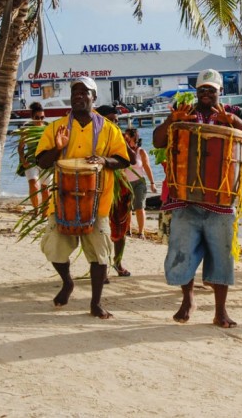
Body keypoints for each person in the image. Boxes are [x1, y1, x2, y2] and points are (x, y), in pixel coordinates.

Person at [152, 68, 242, 328]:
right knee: (182, 252)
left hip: (221, 201)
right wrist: (171, 121)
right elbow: (157, 142)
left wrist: (233, 122)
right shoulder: (185, 112)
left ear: (220, 91)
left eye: (211, 90)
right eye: (202, 90)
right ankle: (188, 300)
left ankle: (220, 311)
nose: (206, 94)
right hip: (186, 198)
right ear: (196, 91)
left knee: (222, 257)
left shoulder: (235, 114)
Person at [36, 77, 129, 319]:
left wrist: (103, 160)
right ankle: (67, 282)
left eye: (84, 92)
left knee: (99, 256)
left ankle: (95, 303)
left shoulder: (109, 129)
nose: (78, 95)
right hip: (62, 202)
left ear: (94, 97)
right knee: (54, 250)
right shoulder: (56, 127)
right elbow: (42, 162)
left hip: (97, 204)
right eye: (75, 91)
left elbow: (124, 160)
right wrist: (58, 147)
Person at [95, 105, 136, 281]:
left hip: (119, 186)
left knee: (120, 227)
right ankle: (101, 267)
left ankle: (118, 263)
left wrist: (121, 138)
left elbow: (132, 159)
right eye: (110, 120)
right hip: (99, 184)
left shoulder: (118, 136)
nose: (114, 124)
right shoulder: (94, 136)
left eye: (116, 121)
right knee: (100, 228)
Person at [124, 128, 157, 239]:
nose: (126, 139)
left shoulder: (141, 152)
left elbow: (147, 167)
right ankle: (128, 230)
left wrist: (152, 183)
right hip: (126, 183)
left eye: (128, 137)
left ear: (134, 138)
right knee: (127, 208)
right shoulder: (123, 150)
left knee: (139, 207)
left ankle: (141, 232)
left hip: (139, 183)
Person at [18, 102, 51, 213]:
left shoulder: (48, 127)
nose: (40, 120)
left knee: (45, 188)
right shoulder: (27, 128)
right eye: (37, 117)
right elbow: (21, 147)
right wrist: (23, 161)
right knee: (33, 184)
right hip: (31, 161)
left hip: (46, 161)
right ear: (32, 117)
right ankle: (36, 210)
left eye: (42, 117)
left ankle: (45, 213)